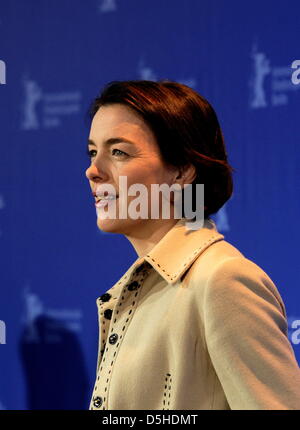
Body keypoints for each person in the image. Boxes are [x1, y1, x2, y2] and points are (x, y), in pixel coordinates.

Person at [85, 79, 300, 410]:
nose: (93, 171)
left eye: (118, 152)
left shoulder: (222, 280)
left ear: (182, 171)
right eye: (92, 152)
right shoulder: (142, 290)